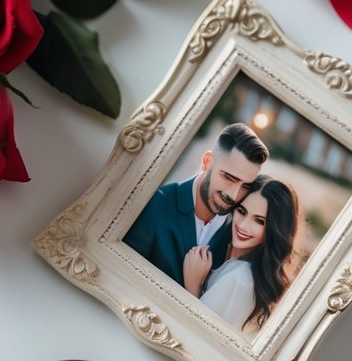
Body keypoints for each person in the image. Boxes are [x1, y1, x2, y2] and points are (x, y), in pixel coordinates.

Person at [124, 123, 268, 287]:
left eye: (245, 186)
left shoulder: (240, 231)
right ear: (207, 162)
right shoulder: (155, 204)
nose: (234, 195)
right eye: (229, 177)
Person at [183, 177, 300, 333]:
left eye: (259, 221)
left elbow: (195, 333)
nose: (243, 226)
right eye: (242, 211)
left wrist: (193, 288)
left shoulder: (239, 278)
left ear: (274, 229)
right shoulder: (239, 266)